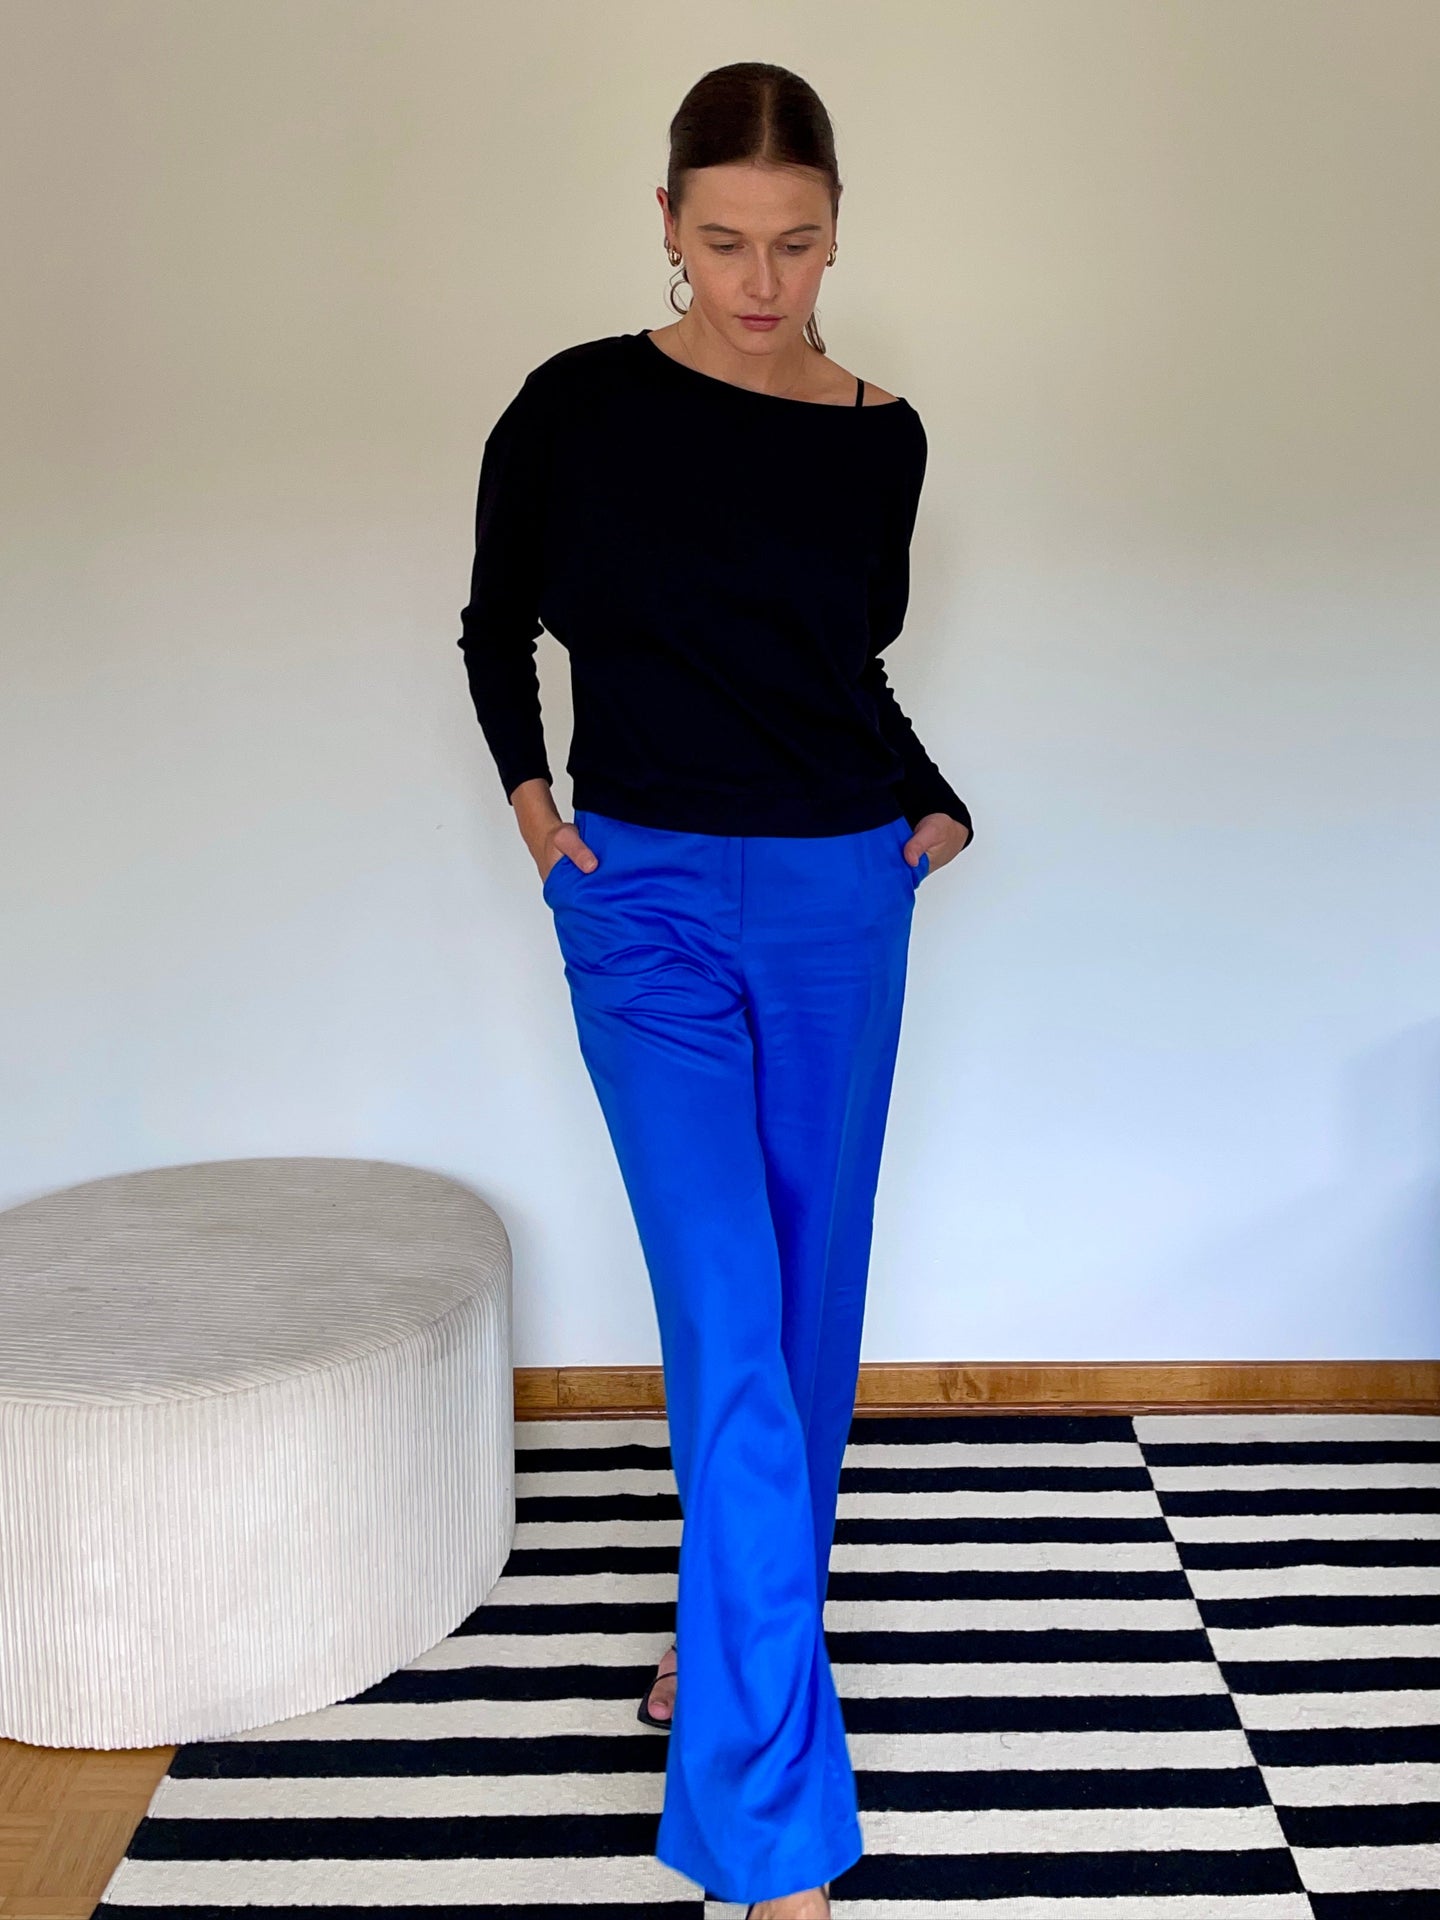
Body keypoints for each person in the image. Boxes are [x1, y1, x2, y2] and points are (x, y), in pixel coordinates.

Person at [456, 60, 973, 1920]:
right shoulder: (578, 407)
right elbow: (494, 616)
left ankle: (728, 1645)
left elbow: (828, 667)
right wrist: (537, 808)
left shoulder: (882, 432)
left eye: (802, 242)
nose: (764, 279)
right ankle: (770, 1831)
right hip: (647, 897)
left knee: (804, 1320)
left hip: (847, 888)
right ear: (665, 222)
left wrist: (927, 800)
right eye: (728, 240)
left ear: (839, 229)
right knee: (729, 1324)